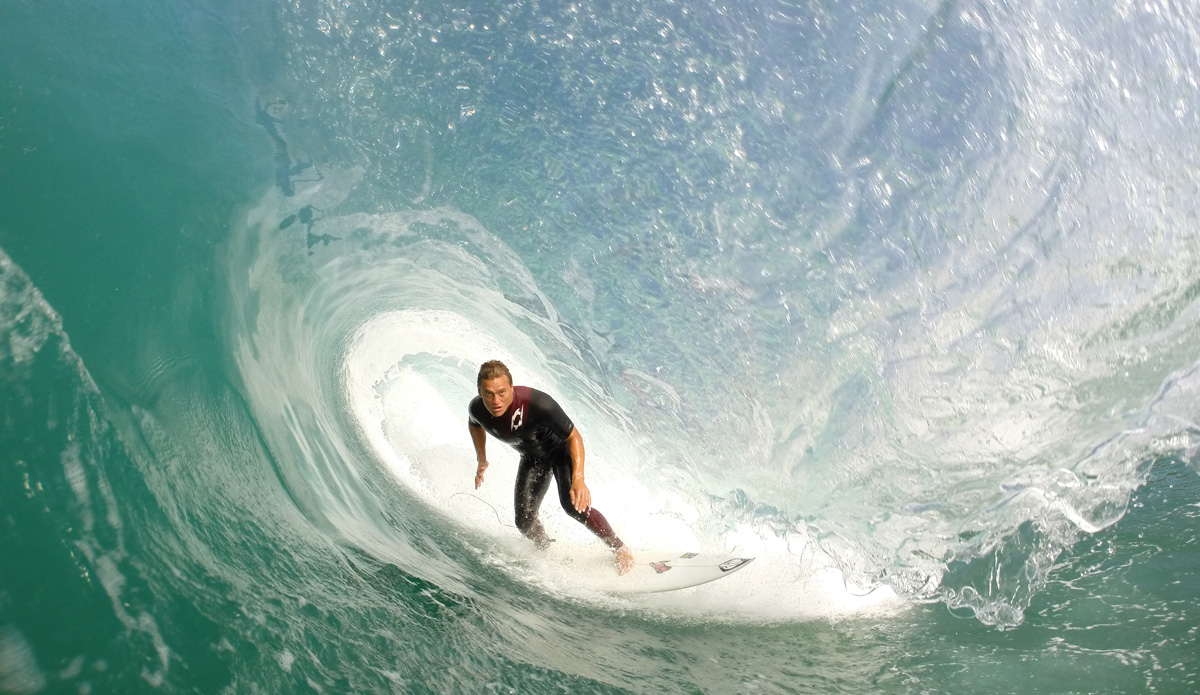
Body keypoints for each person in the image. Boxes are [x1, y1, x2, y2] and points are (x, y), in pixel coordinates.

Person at [468, 360, 635, 575]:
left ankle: (619, 547)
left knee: (572, 506)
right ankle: (546, 549)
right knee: (524, 522)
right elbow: (474, 425)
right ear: (480, 392)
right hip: (532, 458)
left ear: (511, 388)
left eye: (501, 392)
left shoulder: (538, 404)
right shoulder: (477, 408)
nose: (496, 400)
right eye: (488, 394)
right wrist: (482, 459)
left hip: (560, 452)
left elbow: (574, 437)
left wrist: (579, 479)